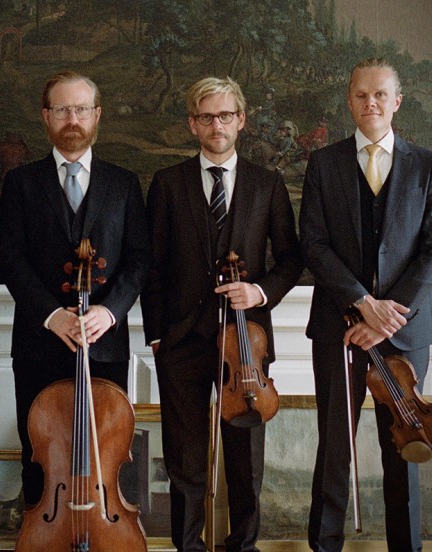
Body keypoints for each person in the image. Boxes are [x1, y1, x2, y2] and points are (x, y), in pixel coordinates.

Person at [141, 76, 303, 552]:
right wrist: (157, 335)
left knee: (245, 457)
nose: (218, 125)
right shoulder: (168, 183)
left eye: (226, 115)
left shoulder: (267, 183)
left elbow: (291, 259)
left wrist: (259, 291)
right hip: (181, 339)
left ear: (241, 120)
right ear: (193, 124)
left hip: (246, 343)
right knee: (184, 457)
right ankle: (188, 546)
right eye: (207, 116)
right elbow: (152, 265)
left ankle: (243, 546)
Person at [300, 58, 432, 552]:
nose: (371, 103)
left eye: (380, 94)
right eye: (361, 95)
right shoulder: (323, 164)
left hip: (406, 329)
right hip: (338, 327)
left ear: (397, 101)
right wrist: (363, 303)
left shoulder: (427, 164)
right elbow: (313, 245)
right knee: (334, 445)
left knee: (406, 444)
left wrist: (388, 316)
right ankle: (326, 545)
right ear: (349, 101)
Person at [0, 70, 151, 507]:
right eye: (62, 109)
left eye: (81, 109)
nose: (73, 119)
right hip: (38, 343)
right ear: (46, 116)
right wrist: (52, 315)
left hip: (105, 345)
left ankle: (100, 532)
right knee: (39, 457)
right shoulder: (21, 183)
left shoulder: (124, 184)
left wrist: (110, 311)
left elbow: (140, 259)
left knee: (104, 455)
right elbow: (10, 258)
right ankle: (42, 532)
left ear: (97, 115)